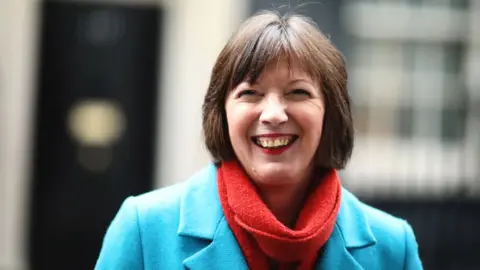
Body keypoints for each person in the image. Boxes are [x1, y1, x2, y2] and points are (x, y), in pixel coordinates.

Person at [95, 10, 423, 270]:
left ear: (330, 112)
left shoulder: (393, 246)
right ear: (221, 113)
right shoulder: (144, 229)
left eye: (298, 92)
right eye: (250, 93)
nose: (274, 114)